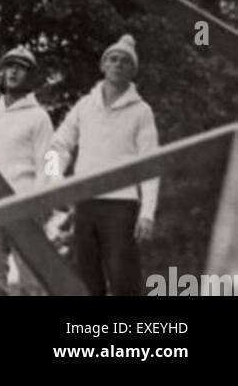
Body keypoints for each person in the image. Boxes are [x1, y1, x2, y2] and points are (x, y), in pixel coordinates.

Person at [43, 35, 158, 297]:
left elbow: (151, 164)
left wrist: (147, 213)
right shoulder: (85, 106)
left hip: (121, 206)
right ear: (103, 65)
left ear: (132, 71)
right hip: (85, 204)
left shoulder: (141, 111)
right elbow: (57, 146)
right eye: (113, 59)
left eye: (126, 62)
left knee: (123, 281)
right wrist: (55, 183)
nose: (118, 64)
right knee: (86, 282)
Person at [0, 44, 53, 296]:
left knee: (32, 282)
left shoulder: (39, 117)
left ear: (29, 76)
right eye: (9, 66)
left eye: (21, 68)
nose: (13, 72)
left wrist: (42, 200)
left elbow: (48, 162)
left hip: (26, 204)